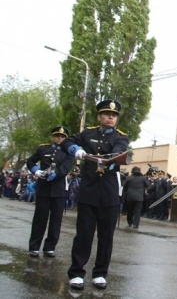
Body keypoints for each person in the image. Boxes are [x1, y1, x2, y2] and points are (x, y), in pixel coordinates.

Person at [61, 99, 129, 290]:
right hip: (89, 190)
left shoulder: (120, 137)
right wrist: (78, 150)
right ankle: (76, 272)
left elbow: (118, 154)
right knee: (83, 234)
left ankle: (100, 273)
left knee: (106, 236)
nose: (111, 117)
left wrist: (106, 160)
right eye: (107, 114)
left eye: (114, 115)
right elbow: (67, 141)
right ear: (99, 116)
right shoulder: (87, 133)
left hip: (109, 191)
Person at [26, 125, 74, 258]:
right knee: (40, 218)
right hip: (44, 188)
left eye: (63, 136)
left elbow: (65, 168)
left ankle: (50, 247)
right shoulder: (43, 148)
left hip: (59, 189)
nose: (60, 138)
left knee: (56, 220)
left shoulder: (68, 152)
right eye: (57, 136)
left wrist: (56, 174)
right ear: (52, 137)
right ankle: (34, 247)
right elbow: (30, 161)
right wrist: (37, 170)